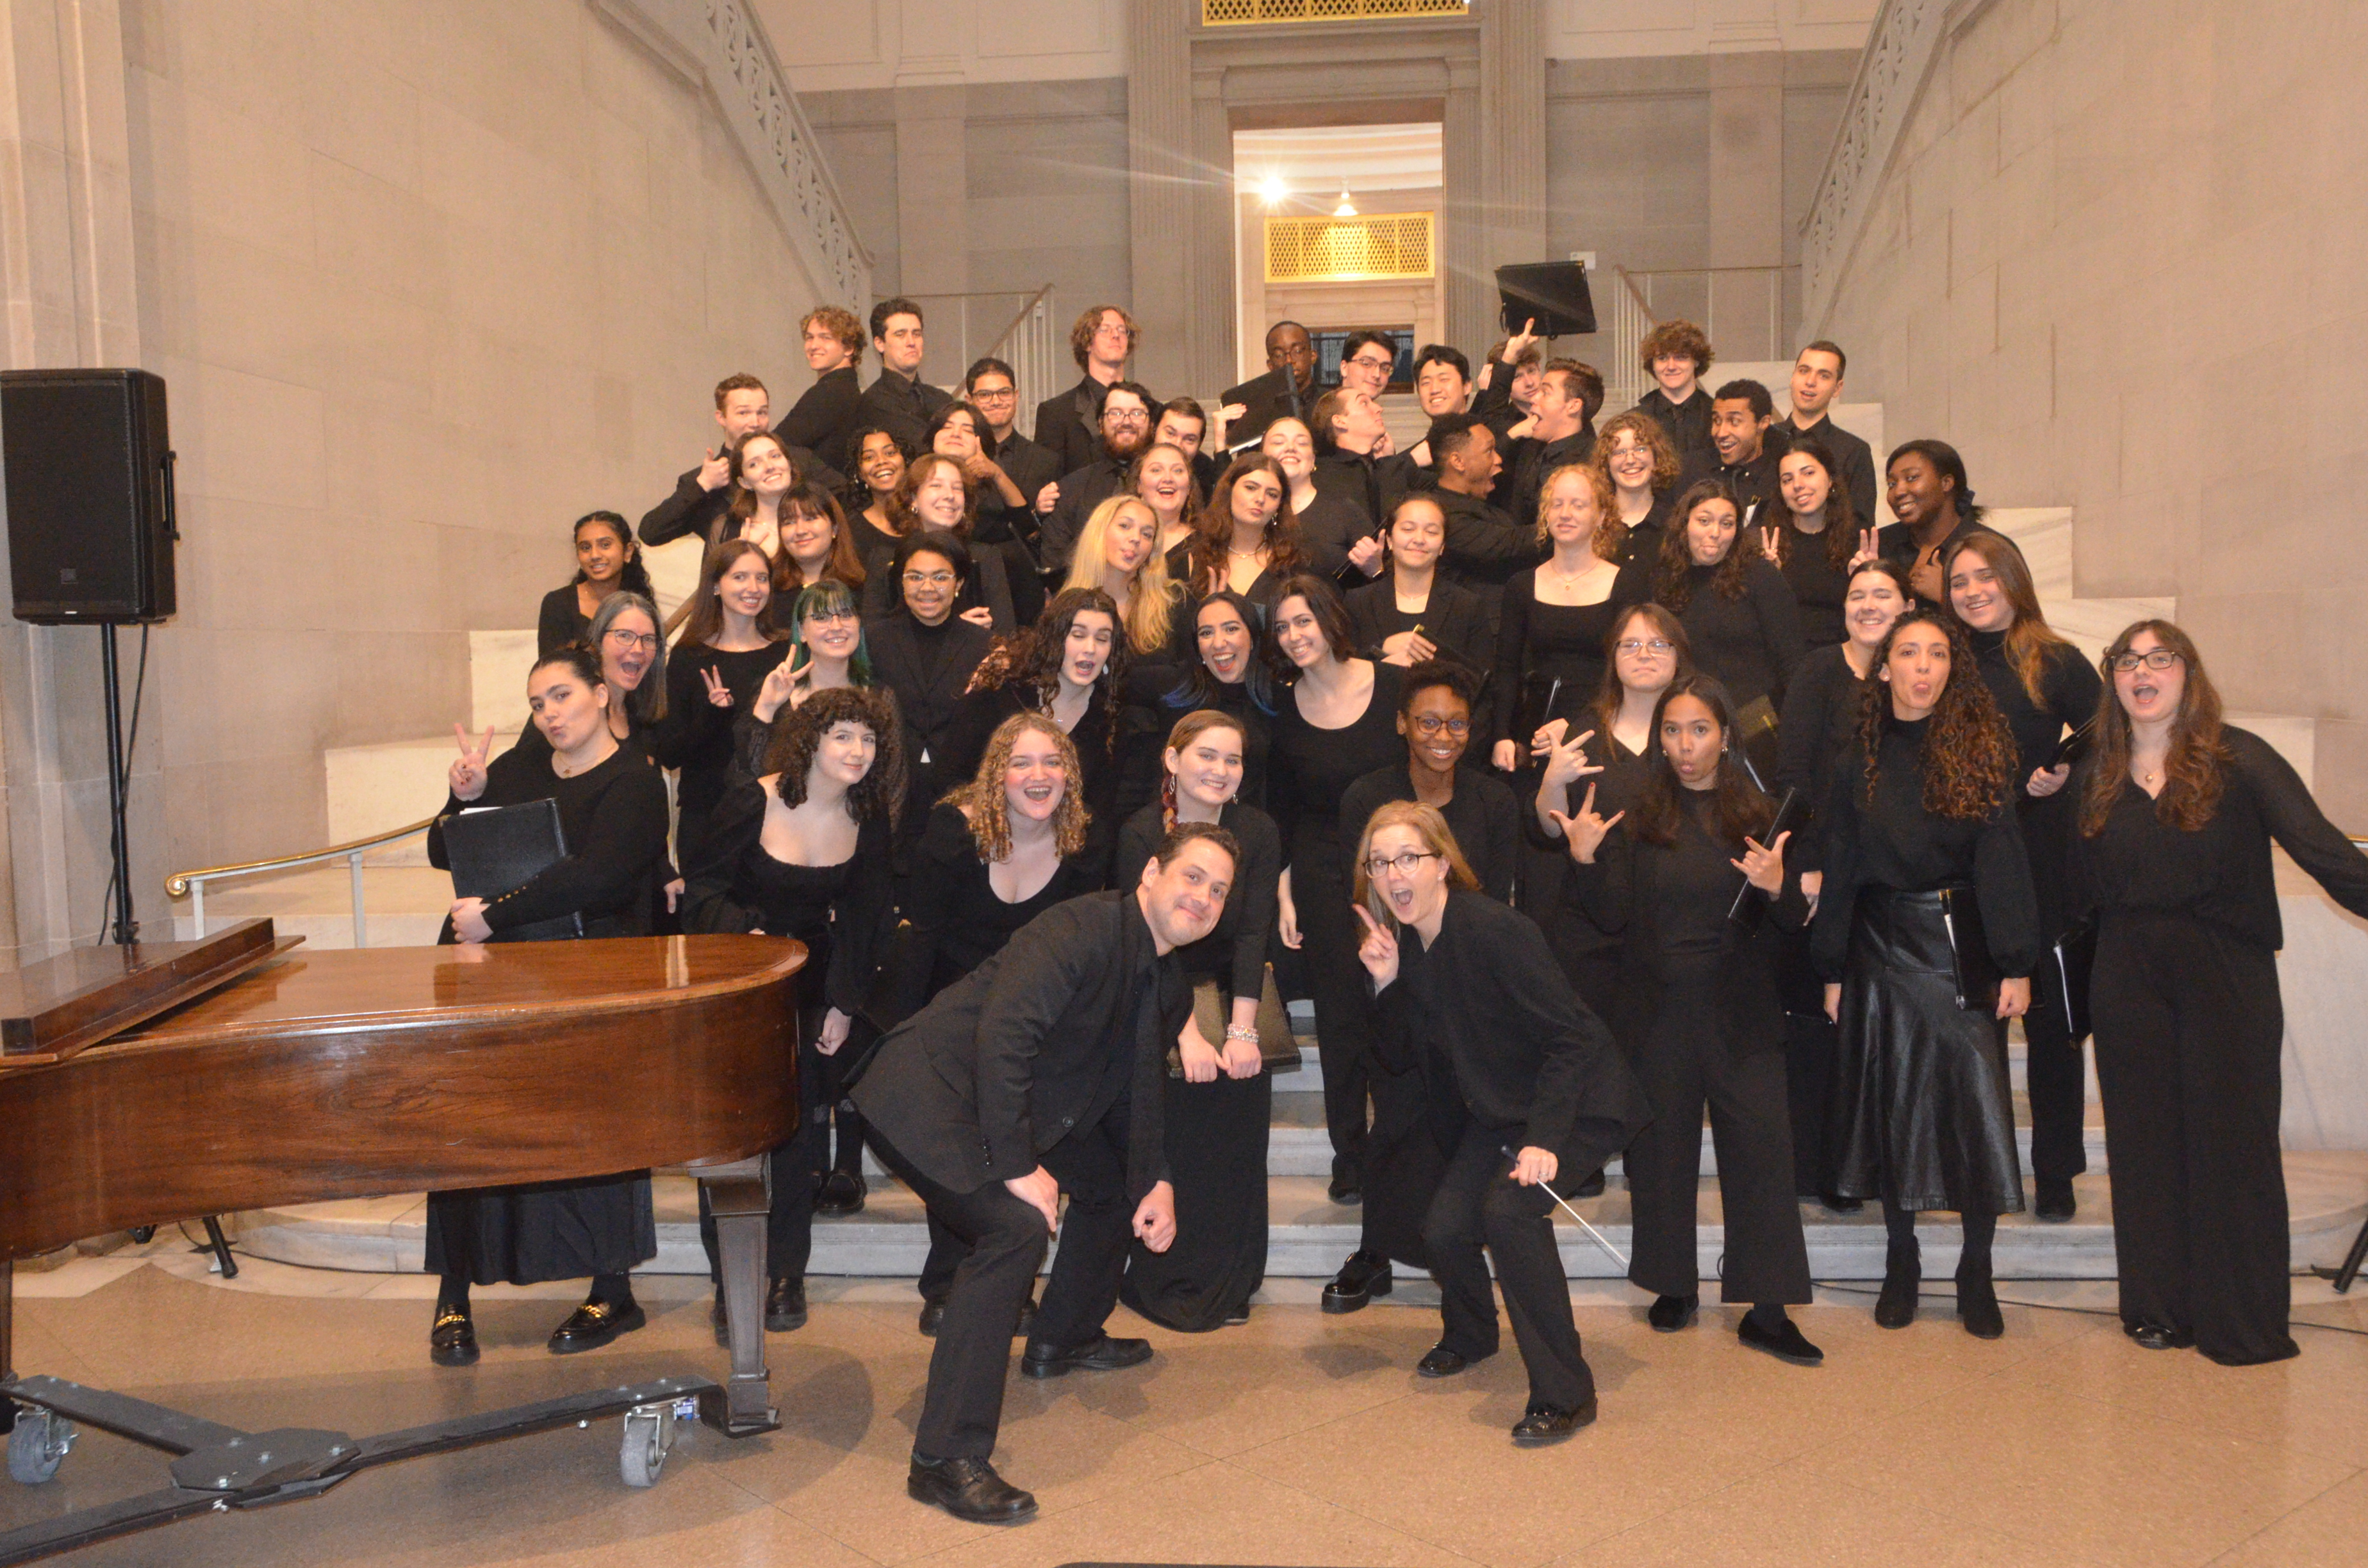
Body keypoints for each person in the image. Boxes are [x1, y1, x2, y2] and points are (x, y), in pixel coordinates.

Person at [855, 824, 1238, 1524]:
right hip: (928, 1092)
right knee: (1014, 1230)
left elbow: (1136, 1093)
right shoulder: (1081, 927)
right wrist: (1019, 1164)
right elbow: (1005, 1034)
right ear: (1152, 872)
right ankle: (944, 1459)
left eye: (1218, 891)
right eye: (1193, 877)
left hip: (1006, 1105)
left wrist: (1156, 1177)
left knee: (1113, 1182)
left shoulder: (1168, 984)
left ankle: (1065, 1335)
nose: (1203, 898)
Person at [2070, 621, 2368, 1365]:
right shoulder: (2094, 768)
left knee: (2233, 1145)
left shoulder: (2239, 758)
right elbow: (2063, 886)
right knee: (2143, 1146)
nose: (2144, 672)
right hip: (2127, 973)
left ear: (2187, 673)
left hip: (2224, 972)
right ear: (2113, 679)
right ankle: (2159, 1308)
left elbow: (2325, 850)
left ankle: (2242, 1323)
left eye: (2160, 659)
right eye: (2129, 661)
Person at [1350, 802, 1644, 1444]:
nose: (1392, 874)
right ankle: (1473, 1334)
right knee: (1445, 1225)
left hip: (1579, 1099)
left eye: (1407, 858)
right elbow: (1398, 1056)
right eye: (1379, 863)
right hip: (1503, 1107)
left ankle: (1567, 1394)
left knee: (1509, 1214)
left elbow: (1569, 1039)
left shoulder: (1493, 930)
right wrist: (1387, 984)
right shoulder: (1408, 944)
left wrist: (1543, 1139)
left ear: (1443, 863)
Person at [1557, 674, 1821, 1364]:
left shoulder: (1762, 812)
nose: (1684, 745)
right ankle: (1672, 1285)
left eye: (1698, 729)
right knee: (1661, 1155)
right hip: (1657, 1010)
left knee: (1762, 1156)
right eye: (1671, 730)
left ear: (1726, 736)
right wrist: (1584, 861)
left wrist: (1777, 889)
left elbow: (1794, 920)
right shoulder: (1637, 812)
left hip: (1741, 1008)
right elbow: (1612, 915)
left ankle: (1767, 1309)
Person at [423, 644, 673, 1366]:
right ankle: (453, 1294)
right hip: (496, 976)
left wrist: (495, 913)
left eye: (561, 696)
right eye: (538, 704)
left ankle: (611, 1288)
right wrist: (462, 796)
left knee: (597, 1130)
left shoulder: (635, 781)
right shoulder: (521, 771)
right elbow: (448, 855)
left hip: (588, 977)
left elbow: (596, 877)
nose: (551, 714)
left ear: (601, 694)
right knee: (471, 1131)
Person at [1813, 607, 2039, 1340]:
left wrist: (2017, 960)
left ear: (1952, 668)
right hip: (1880, 946)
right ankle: (1901, 1262)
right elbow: (1843, 866)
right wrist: (1832, 964)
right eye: (1908, 653)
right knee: (1896, 1108)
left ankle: (1977, 1269)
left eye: (1937, 654)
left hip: (1958, 948)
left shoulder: (1982, 746)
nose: (1922, 667)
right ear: (1884, 669)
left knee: (1973, 1112)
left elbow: (2003, 857)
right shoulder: (1860, 757)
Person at [683, 687, 902, 1339]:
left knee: (799, 1137)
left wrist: (843, 1002)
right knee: (730, 1139)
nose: (857, 751)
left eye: (867, 740)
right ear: (811, 740)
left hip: (812, 987)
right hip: (739, 982)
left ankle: (786, 1274)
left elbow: (869, 918)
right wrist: (744, 935)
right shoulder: (756, 796)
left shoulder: (869, 816)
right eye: (842, 736)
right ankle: (729, 1280)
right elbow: (702, 890)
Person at [892, 712, 1105, 1334]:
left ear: (1068, 773)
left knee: (1026, 1149)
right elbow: (923, 935)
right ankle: (944, 1282)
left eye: (1051, 762)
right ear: (998, 774)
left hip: (1037, 1024)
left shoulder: (1083, 846)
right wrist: (906, 1034)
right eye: (1022, 763)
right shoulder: (954, 831)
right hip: (953, 1013)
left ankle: (1013, 1282)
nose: (1038, 776)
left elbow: (1081, 953)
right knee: (957, 1152)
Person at [1325, 663, 1522, 1307]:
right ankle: (1376, 1250)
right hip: (1390, 970)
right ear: (1403, 725)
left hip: (1469, 983)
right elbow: (1357, 889)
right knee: (1396, 1116)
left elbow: (1498, 896)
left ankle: (1458, 1241)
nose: (1444, 734)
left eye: (1457, 723)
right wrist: (1383, 968)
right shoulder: (1366, 796)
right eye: (1429, 721)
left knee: (1461, 1117)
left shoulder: (1493, 801)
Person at [1944, 528, 2102, 1221]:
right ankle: (1977, 1167)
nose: (1974, 592)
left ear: (2015, 580)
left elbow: (2109, 740)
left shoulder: (2055, 660)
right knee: (1972, 1027)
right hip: (1963, 863)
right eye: (1960, 582)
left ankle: (2057, 1171)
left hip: (2042, 863)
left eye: (1987, 578)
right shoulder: (1940, 658)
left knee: (2049, 1027)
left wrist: (2064, 776)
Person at [1115, 712, 1284, 1332]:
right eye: (1206, 756)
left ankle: (1233, 1277)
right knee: (1175, 1124)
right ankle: (1163, 1272)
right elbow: (1146, 938)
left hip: (1235, 993)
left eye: (1232, 760)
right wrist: (1184, 1031)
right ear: (1172, 759)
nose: (1219, 770)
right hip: (1156, 988)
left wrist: (1240, 1031)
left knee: (1238, 1115)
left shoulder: (1257, 831)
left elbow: (1252, 932)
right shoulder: (1140, 832)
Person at [1266, 576, 1408, 1212]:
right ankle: (1351, 1155)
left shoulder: (1392, 685)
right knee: (1341, 1017)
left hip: (1397, 865)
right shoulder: (1284, 706)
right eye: (1284, 627)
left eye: (1304, 621)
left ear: (1330, 619)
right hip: (1323, 871)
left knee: (1402, 1007)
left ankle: (1406, 1143)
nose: (1295, 637)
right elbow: (1286, 810)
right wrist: (1286, 889)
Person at [1775, 559, 1912, 1209]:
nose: (1868, 604)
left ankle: (1879, 1165)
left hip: (1889, 879)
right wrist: (1807, 864)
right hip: (1822, 870)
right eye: (1857, 594)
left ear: (1906, 604)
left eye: (1882, 594)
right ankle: (1818, 1169)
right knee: (1817, 1028)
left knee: (1879, 1026)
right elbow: (1794, 775)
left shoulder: (1917, 674)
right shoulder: (1817, 671)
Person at [1526, 605, 1693, 1022]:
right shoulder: (1582, 731)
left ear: (1678, 656)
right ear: (1613, 657)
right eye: (1630, 644)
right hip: (1591, 931)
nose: (1644, 654)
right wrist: (1553, 780)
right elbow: (1548, 829)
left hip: (1673, 929)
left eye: (1659, 644)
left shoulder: (1696, 734)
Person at [1490, 463, 1647, 770]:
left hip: (1606, 728)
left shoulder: (1628, 584)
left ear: (1601, 517)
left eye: (1578, 505)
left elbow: (1633, 673)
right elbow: (1507, 669)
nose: (1565, 513)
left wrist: (1579, 727)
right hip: (1537, 731)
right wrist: (1501, 735)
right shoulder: (1521, 586)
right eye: (1556, 504)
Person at [942, 587, 1128, 835]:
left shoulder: (1110, 716)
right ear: (1054, 639)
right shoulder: (1001, 693)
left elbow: (1099, 813)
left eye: (1102, 639)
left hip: (1063, 852)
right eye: (1078, 635)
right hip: (984, 837)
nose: (1091, 649)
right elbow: (949, 778)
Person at [662, 538, 794, 871]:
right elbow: (670, 753)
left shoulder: (785, 652)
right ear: (716, 586)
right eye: (740, 577)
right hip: (706, 812)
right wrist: (711, 715)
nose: (753, 588)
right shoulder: (688, 656)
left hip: (773, 812)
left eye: (762, 578)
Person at [867, 532, 998, 845]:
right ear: (901, 582)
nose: (927, 588)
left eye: (940, 577)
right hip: (889, 790)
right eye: (915, 577)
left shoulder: (985, 646)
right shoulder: (873, 640)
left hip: (959, 794)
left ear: (959, 584)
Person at [639, 373, 841, 550]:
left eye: (762, 412)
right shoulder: (699, 482)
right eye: (743, 413)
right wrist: (703, 486)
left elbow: (848, 497)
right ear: (721, 417)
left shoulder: (798, 459)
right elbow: (651, 533)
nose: (755, 422)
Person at [1654, 479, 1804, 712]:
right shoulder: (1664, 579)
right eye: (1704, 521)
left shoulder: (1761, 575)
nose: (1716, 533)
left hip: (1754, 717)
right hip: (1687, 716)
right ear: (1684, 524)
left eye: (1727, 524)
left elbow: (1792, 660)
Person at [859, 453, 1016, 633]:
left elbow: (1006, 634)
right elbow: (871, 636)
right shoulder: (885, 559)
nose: (949, 495)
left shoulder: (986, 558)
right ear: (912, 498)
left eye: (957, 488)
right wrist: (953, 630)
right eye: (936, 485)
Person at [1153, 591, 1278, 812]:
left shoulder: (1278, 699)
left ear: (1252, 638)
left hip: (1252, 829)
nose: (1219, 643)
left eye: (1231, 629)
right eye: (1206, 633)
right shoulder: (1174, 690)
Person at [1344, 493, 1491, 673]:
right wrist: (1382, 648)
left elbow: (1482, 681)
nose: (1419, 539)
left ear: (1443, 545)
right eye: (1408, 529)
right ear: (1389, 539)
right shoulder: (1358, 602)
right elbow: (1340, 671)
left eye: (1431, 532)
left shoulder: (1468, 606)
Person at [928, 399, 1043, 624]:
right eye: (947, 426)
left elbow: (1028, 529)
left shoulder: (995, 486)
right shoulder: (913, 481)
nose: (956, 433)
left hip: (993, 593)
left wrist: (997, 475)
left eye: (967, 429)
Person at [1040, 380, 1158, 575]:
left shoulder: (1168, 489)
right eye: (1116, 413)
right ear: (1100, 425)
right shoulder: (1070, 489)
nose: (1126, 421)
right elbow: (1055, 565)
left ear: (1152, 425)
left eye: (1137, 413)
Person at [1761, 438, 1870, 648]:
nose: (1798, 485)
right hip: (1786, 657)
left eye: (1808, 473)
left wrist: (1869, 580)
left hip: (1846, 655)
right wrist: (1766, 580)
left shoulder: (1857, 538)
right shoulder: (1767, 543)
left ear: (1830, 479)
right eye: (1787, 479)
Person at [1427, 414, 1536, 622]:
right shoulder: (1442, 515)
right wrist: (1571, 524)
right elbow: (1510, 544)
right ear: (1458, 461)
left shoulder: (1481, 502)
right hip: (1479, 633)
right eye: (1489, 451)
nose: (1498, 459)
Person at [1061, 494, 1183, 664]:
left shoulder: (1174, 603)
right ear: (1099, 532)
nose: (1136, 538)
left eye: (1147, 534)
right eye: (1125, 526)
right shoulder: (1065, 606)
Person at [1183, 453, 1306, 608]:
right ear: (1229, 491)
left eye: (1272, 494)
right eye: (1251, 488)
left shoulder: (1292, 562)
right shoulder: (1195, 553)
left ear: (1279, 507)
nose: (1261, 499)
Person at [1263, 414, 1374, 584]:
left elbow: (1378, 579)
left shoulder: (1345, 512)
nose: (1291, 448)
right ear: (1261, 456)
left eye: (1302, 443)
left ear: (1313, 459)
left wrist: (1375, 568)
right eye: (1279, 442)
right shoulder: (1251, 513)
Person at [1033, 304, 1138, 477]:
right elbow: (1047, 483)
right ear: (1087, 343)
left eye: (1122, 330)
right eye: (1105, 330)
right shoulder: (1056, 413)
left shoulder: (1150, 409)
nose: (1116, 335)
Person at [1499, 358, 1603, 534]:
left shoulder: (1591, 462)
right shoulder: (1529, 447)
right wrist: (1512, 435)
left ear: (1573, 406)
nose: (1534, 398)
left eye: (1545, 392)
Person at [1878, 439, 1986, 603]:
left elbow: (2017, 625)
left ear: (1946, 483)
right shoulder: (1880, 545)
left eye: (1912, 478)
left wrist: (1946, 597)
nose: (1898, 491)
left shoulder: (1987, 549)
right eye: (1892, 483)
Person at [1782, 341, 1877, 524]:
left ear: (1837, 388)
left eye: (1824, 376)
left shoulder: (1855, 451)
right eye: (1803, 371)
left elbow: (1861, 525)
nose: (1810, 382)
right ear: (1793, 377)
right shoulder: (1763, 440)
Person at [538, 510, 654, 656]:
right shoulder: (558, 603)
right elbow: (550, 671)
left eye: (605, 545)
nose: (595, 555)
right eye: (586, 548)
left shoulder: (640, 604)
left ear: (627, 551)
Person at [965, 357, 1061, 530]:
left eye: (1004, 392)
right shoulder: (958, 455)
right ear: (969, 400)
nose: (996, 401)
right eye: (985, 395)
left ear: (1016, 396)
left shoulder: (1046, 461)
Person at [1311, 384, 1414, 534]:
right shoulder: (1322, 477)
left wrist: (1389, 461)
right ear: (1340, 421)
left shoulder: (1385, 467)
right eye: (1364, 403)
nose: (1379, 408)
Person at [780, 305, 867, 475]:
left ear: (849, 348)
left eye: (825, 338)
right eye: (809, 338)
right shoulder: (845, 388)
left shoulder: (831, 391)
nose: (813, 346)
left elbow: (776, 446)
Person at [858, 297, 951, 455]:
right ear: (880, 343)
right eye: (900, 334)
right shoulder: (873, 401)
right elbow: (921, 449)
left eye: (917, 334)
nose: (911, 342)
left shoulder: (942, 399)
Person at [1591, 410, 1684, 568]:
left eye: (1640, 449)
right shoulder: (1593, 523)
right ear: (1606, 463)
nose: (1630, 460)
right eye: (1619, 452)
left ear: (1656, 456)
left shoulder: (1677, 524)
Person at [1631, 318, 1718, 478]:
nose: (1671, 366)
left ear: (1697, 361)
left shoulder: (1716, 415)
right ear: (1653, 364)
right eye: (1662, 358)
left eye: (1681, 357)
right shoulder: (1635, 420)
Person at [772, 480, 869, 600]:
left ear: (834, 528)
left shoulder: (865, 588)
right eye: (789, 522)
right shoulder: (767, 589)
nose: (800, 531)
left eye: (811, 519)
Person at [1708, 379, 1786, 527]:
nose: (1721, 433)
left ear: (1763, 423)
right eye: (1716, 421)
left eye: (1735, 422)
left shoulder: (1780, 480)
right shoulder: (1693, 470)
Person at [847, 423, 912, 564]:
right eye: (869, 457)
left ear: (905, 461)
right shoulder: (851, 531)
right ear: (860, 473)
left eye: (890, 453)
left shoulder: (927, 516)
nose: (881, 462)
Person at [1134, 439, 1201, 563]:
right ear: (1139, 485)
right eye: (1156, 470)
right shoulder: (1119, 540)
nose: (1168, 478)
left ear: (1189, 487)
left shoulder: (1205, 546)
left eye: (1177, 471)